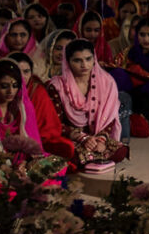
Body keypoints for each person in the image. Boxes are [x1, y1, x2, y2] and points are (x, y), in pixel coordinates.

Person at [44, 38, 128, 172]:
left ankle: (92, 157)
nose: (84, 65)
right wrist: (82, 138)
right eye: (77, 60)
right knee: (70, 153)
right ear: (68, 62)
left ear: (94, 58)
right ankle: (92, 159)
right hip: (71, 137)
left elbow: (110, 116)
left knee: (121, 150)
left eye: (88, 59)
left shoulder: (107, 82)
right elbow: (55, 123)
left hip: (97, 135)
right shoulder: (57, 86)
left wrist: (101, 139)